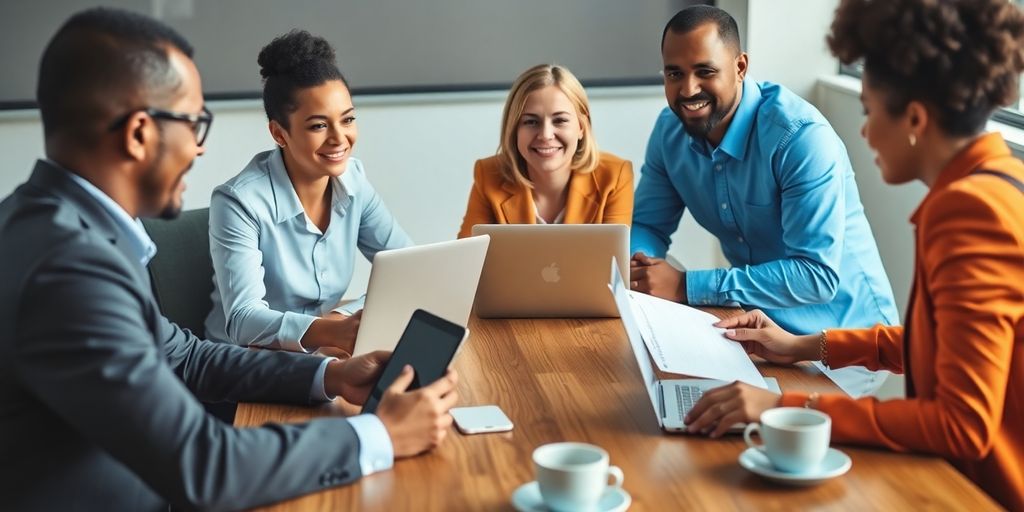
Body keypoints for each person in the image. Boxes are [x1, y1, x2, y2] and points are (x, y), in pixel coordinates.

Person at [0, 9, 456, 510]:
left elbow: (185, 356)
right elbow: (203, 465)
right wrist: (379, 436)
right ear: (138, 134)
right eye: (195, 122)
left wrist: (329, 377)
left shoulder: (63, 229)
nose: (199, 149)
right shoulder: (68, 269)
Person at [685, 0, 1024, 508]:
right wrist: (803, 347)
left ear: (914, 117)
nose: (863, 132)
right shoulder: (993, 185)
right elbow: (939, 343)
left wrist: (782, 406)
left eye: (868, 111)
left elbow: (961, 425)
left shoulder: (969, 213)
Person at [629, 5, 898, 397]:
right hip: (761, 330)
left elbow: (815, 276)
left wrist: (686, 285)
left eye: (705, 71)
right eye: (675, 73)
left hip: (843, 344)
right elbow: (649, 225)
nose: (687, 90)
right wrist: (642, 268)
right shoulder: (670, 132)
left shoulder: (800, 138)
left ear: (740, 67)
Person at [204, 30, 413, 354]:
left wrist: (338, 319)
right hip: (243, 368)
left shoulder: (354, 181)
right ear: (279, 133)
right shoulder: (238, 202)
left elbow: (408, 268)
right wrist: (328, 331)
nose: (339, 138)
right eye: (318, 125)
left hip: (320, 355)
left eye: (348, 120)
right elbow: (244, 321)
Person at [457, 64, 633, 238]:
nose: (546, 135)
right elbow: (465, 260)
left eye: (560, 120)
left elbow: (615, 262)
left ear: (581, 126)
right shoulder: (488, 175)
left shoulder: (614, 177)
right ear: (514, 128)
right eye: (531, 122)